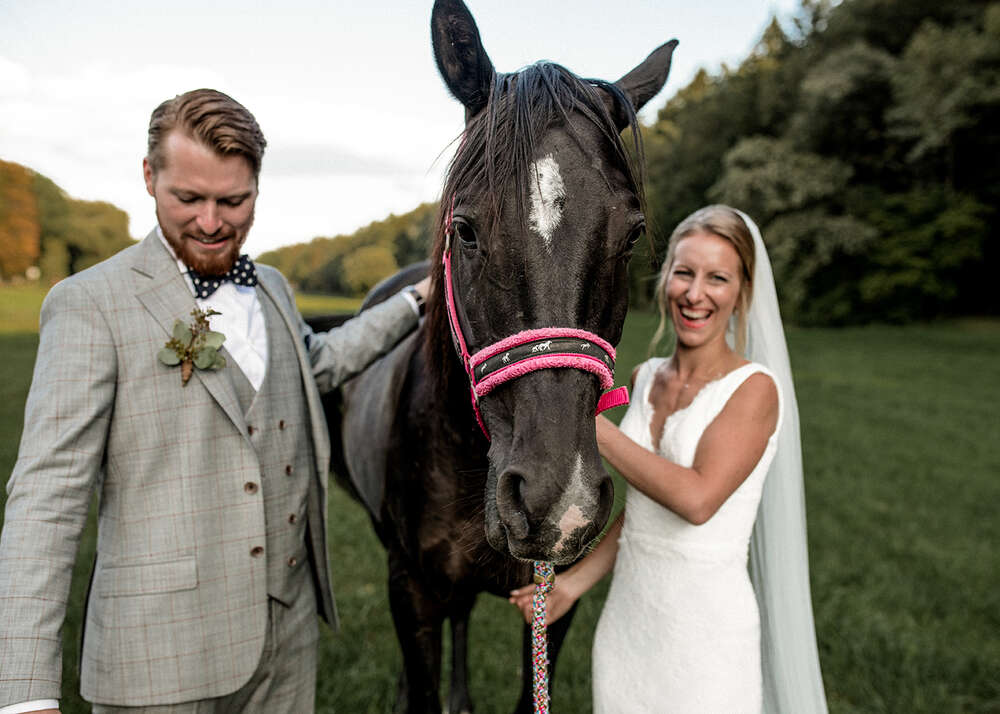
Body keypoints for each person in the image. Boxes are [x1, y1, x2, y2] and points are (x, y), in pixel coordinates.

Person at [0, 89, 429, 714]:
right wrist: (23, 694)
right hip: (155, 661)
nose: (210, 222)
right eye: (188, 199)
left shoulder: (274, 287)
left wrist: (415, 301)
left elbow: (315, 365)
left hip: (287, 643)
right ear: (150, 177)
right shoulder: (90, 303)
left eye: (234, 200)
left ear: (257, 184)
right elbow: (46, 500)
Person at [510, 205, 827, 713]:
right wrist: (572, 585)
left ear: (742, 293)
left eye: (717, 278)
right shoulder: (645, 377)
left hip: (706, 637)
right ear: (665, 281)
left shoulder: (754, 390)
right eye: (684, 272)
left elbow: (696, 499)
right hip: (628, 623)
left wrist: (590, 427)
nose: (695, 293)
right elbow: (644, 512)